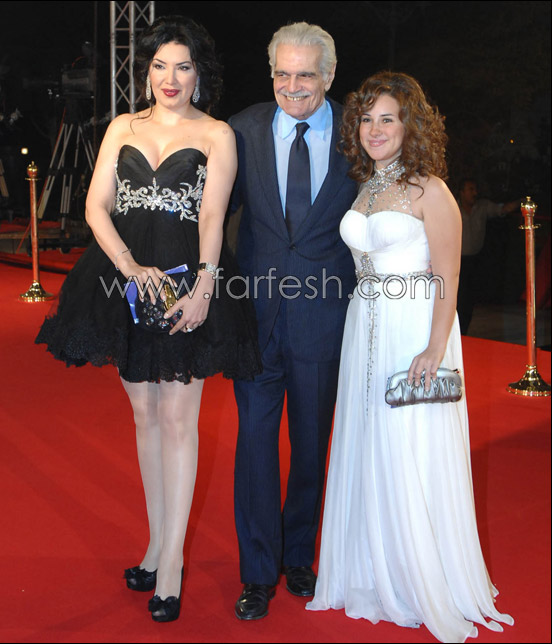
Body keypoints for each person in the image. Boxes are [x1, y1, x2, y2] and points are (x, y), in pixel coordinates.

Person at [35, 15, 261, 623]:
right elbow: (95, 207)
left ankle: (172, 567)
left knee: (179, 420)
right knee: (144, 415)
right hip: (125, 281)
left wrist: (206, 286)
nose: (170, 78)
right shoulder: (121, 127)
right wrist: (130, 267)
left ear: (199, 74)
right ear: (146, 73)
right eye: (160, 65)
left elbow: (212, 216)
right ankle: (157, 546)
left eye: (183, 66)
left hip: (189, 281)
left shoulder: (216, 134)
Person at [306, 72, 514, 643]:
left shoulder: (431, 190)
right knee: (368, 440)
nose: (375, 130)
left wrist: (435, 347)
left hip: (414, 328)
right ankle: (370, 570)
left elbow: (449, 275)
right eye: (366, 119)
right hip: (364, 326)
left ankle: (418, 573)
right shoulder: (365, 188)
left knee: (409, 446)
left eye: (387, 119)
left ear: (409, 126)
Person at [227, 22, 356, 620]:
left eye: (306, 74)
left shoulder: (358, 133)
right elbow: (213, 212)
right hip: (254, 316)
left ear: (328, 75)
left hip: (324, 319)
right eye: (282, 73)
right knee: (255, 447)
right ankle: (257, 572)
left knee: (310, 445)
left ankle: (298, 553)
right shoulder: (243, 129)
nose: (292, 86)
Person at [456, 178, 520, 333]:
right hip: (456, 261)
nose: (475, 193)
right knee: (457, 299)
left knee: (469, 300)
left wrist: (523, 201)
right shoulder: (453, 207)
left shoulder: (482, 207)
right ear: (462, 192)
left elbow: (503, 209)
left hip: (474, 260)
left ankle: (464, 332)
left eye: (475, 189)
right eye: (470, 189)